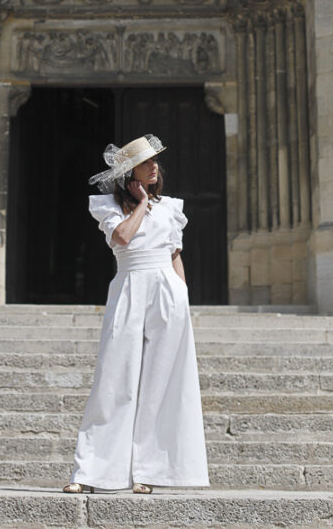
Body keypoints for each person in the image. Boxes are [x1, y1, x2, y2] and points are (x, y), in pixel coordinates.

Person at [63, 134, 210, 495]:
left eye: (155, 161)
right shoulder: (109, 207)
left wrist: (182, 298)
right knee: (114, 379)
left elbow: (175, 254)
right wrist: (142, 204)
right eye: (147, 163)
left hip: (166, 291)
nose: (155, 167)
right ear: (131, 173)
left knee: (160, 382)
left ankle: (147, 471)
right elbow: (123, 239)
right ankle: (91, 471)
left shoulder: (172, 207)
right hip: (130, 285)